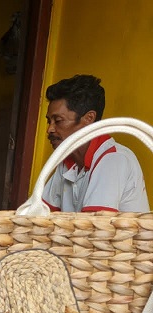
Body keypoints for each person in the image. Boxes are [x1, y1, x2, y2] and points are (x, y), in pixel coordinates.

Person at [43, 74, 148, 212]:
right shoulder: (67, 162)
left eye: (58, 121)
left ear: (89, 118)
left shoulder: (113, 159)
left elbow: (93, 229)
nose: (49, 129)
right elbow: (40, 216)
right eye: (48, 121)